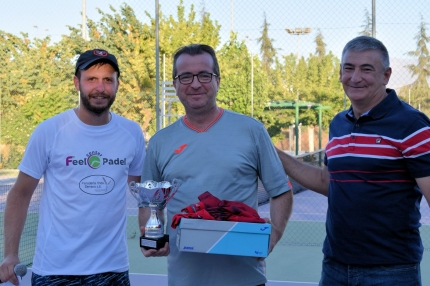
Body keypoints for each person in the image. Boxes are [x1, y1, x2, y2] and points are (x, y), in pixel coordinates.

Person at [276, 36, 430, 285]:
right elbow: (328, 181)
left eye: (366, 69)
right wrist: (275, 154)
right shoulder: (338, 123)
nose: (355, 77)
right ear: (340, 73)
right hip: (335, 266)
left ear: (386, 75)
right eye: (349, 68)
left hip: (391, 271)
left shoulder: (412, 125)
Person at [138, 44, 293, 286]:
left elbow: (281, 191)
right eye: (186, 77)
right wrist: (149, 235)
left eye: (204, 75)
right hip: (184, 280)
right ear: (176, 84)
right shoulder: (160, 142)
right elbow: (149, 203)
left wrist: (272, 237)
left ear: (217, 80)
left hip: (245, 279)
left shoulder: (252, 131)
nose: (195, 84)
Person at [0, 49, 146, 286]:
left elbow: (142, 193)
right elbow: (20, 193)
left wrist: (150, 232)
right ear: (77, 83)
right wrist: (10, 253)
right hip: (54, 270)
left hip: (113, 269)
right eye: (92, 79)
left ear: (118, 85)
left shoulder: (131, 133)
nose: (100, 87)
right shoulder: (50, 131)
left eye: (108, 80)